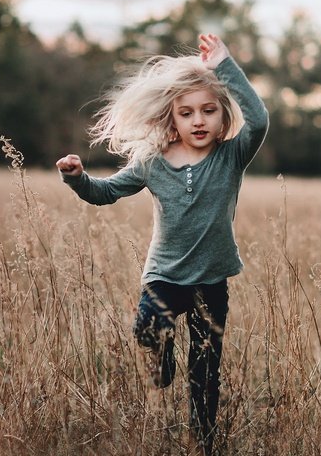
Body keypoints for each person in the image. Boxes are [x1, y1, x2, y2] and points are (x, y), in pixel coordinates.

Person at [55, 33, 268, 454]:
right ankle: (161, 361)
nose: (199, 120)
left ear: (224, 118)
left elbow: (259, 119)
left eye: (209, 111)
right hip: (165, 275)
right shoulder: (152, 163)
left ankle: (203, 442)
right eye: (187, 113)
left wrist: (224, 65)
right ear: (173, 119)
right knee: (148, 329)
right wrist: (77, 178)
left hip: (212, 279)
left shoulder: (232, 156)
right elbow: (106, 192)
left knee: (206, 370)